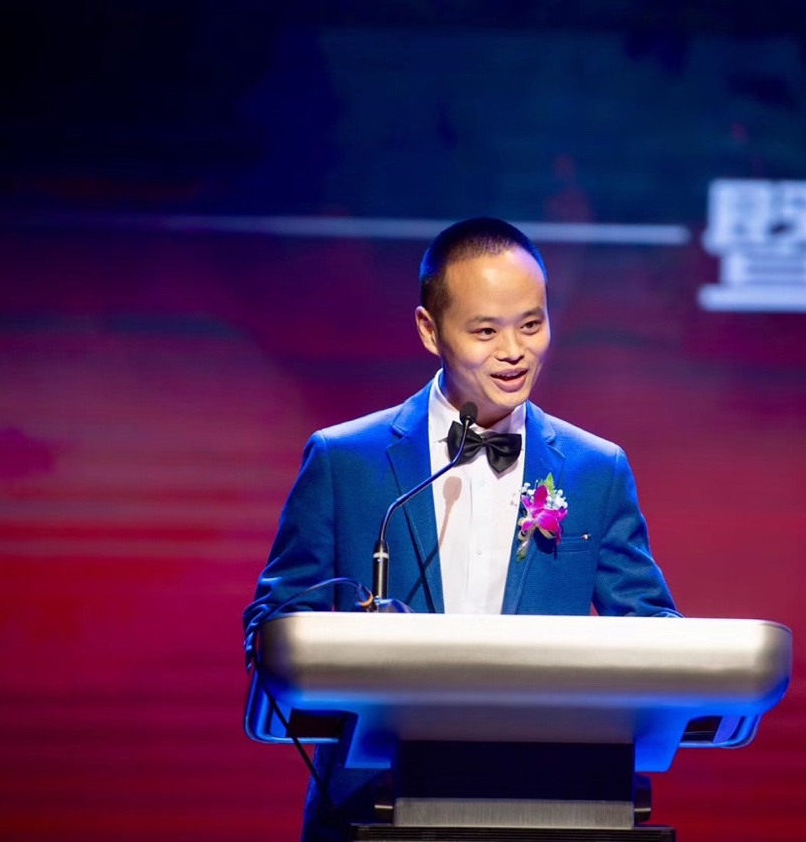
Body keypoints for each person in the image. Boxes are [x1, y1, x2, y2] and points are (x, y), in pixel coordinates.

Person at [242, 217, 680, 841]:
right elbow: (275, 622)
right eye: (485, 331)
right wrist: (349, 661)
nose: (514, 351)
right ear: (430, 330)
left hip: (551, 808)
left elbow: (653, 633)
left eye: (532, 324)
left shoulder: (595, 470)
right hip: (375, 806)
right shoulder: (345, 460)